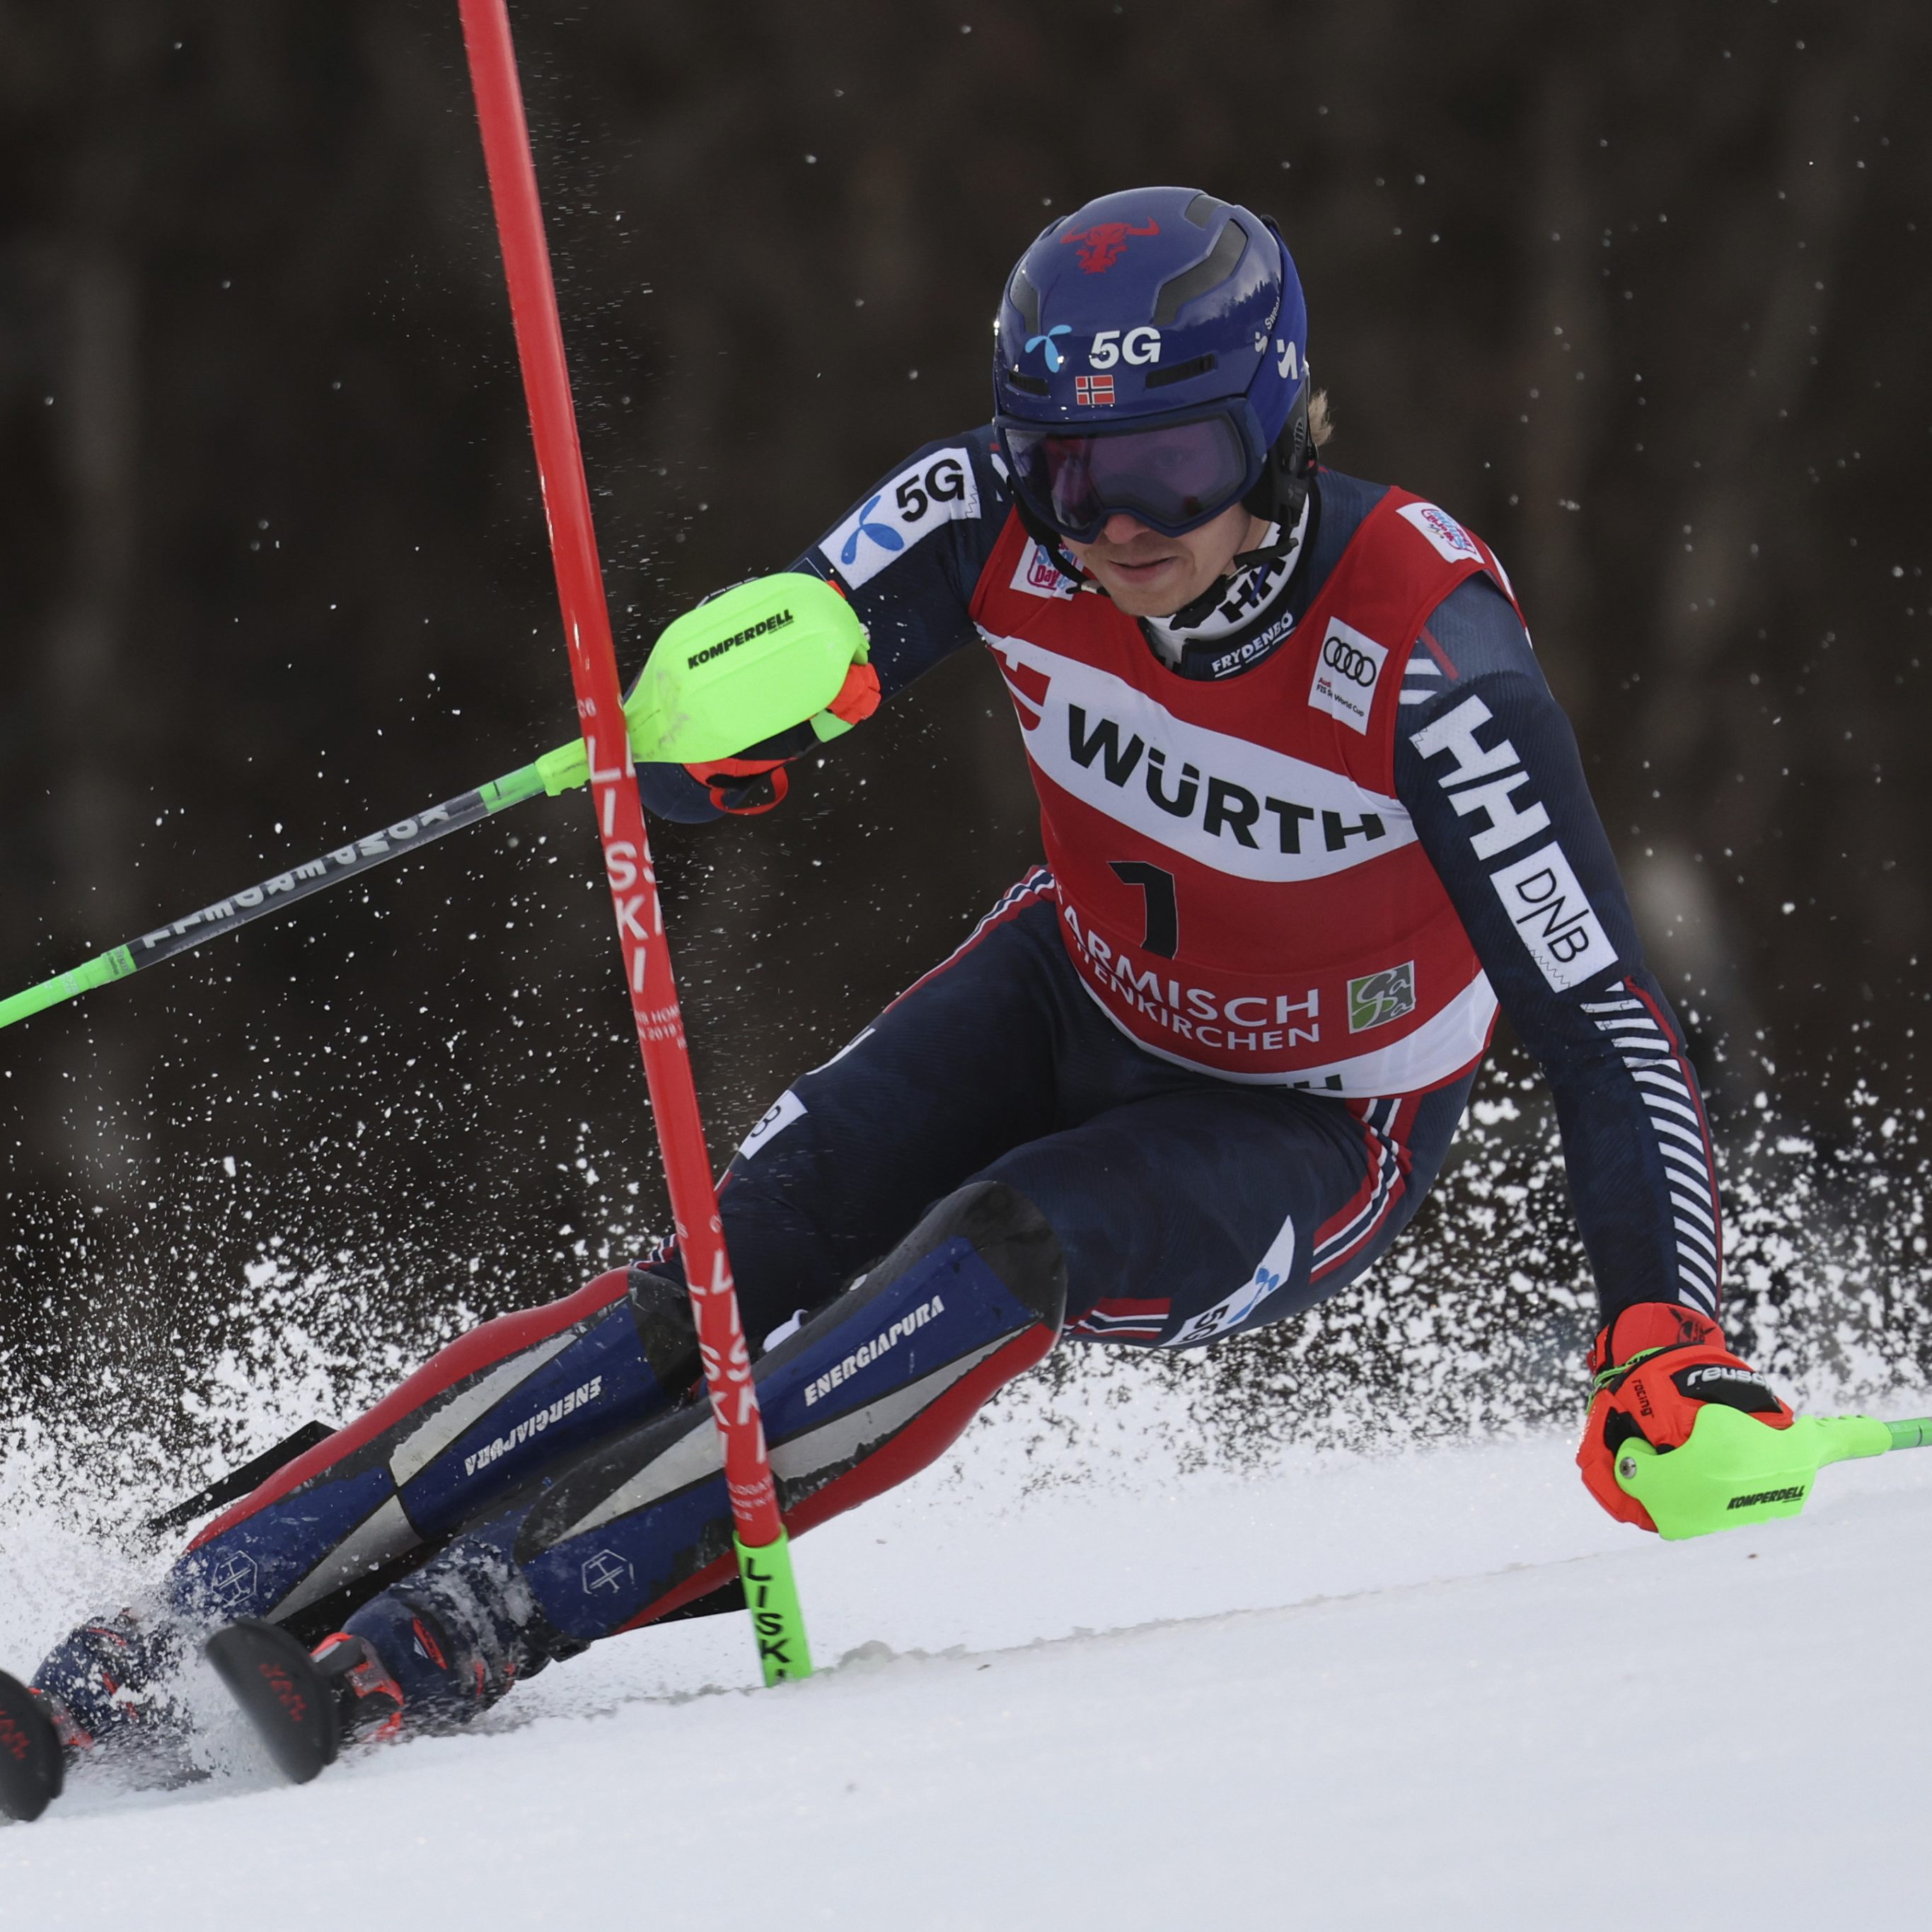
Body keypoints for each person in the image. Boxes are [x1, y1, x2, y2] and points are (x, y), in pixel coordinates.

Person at [25, 185, 1794, 1774]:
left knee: (1000, 1248)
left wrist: (1665, 1330)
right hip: (1072, 987)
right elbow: (811, 624)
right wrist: (711, 726)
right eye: (1071, 473)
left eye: (1169, 471)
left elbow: (1602, 1016)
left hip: (1316, 1127)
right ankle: (178, 1619)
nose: (1113, 528)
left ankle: (484, 1619)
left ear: (1272, 432)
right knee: (716, 1276)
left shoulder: (1422, 648)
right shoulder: (995, 509)